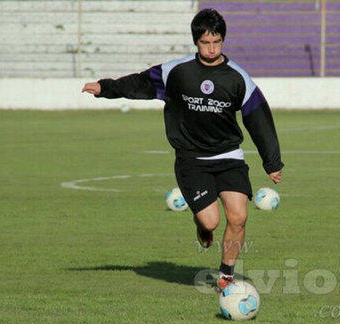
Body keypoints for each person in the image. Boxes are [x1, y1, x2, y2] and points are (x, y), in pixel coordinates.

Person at [82, 8, 283, 291]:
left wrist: (272, 162)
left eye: (216, 42)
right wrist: (105, 87)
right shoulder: (177, 71)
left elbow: (259, 118)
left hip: (228, 156)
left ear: (223, 41)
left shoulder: (238, 78)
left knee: (239, 216)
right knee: (211, 222)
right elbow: (140, 83)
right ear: (196, 42)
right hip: (192, 160)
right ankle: (201, 224)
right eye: (205, 43)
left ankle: (225, 277)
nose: (211, 49)